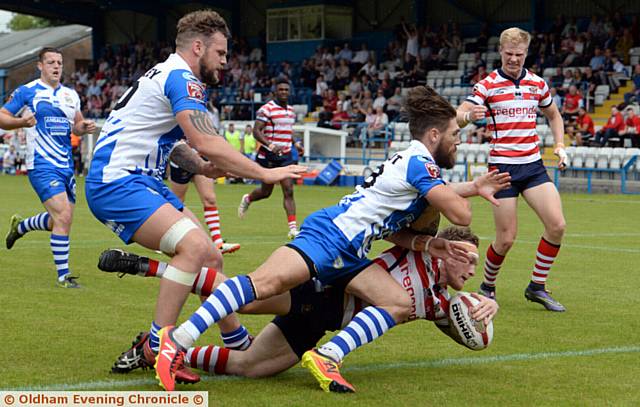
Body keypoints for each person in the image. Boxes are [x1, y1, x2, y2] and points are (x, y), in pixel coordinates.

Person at [153, 85, 510, 392]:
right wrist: (469, 193)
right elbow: (460, 215)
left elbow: (416, 223)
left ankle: (327, 356)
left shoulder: (414, 163)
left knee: (396, 302)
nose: (458, 142)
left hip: (351, 250)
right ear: (434, 135)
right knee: (262, 284)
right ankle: (176, 340)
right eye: (454, 135)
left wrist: (471, 189)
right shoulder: (421, 163)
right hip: (332, 235)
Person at [84, 10, 304, 384]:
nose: (225, 61)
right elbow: (203, 139)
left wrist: (201, 167)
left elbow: (170, 143)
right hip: (118, 182)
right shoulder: (184, 79)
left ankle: (235, 340)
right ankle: (158, 347)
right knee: (195, 249)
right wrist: (265, 171)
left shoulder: (163, 73)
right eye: (220, 52)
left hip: (137, 180)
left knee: (211, 257)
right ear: (198, 47)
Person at [104, 226, 498, 384]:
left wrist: (487, 307)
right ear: (451, 252)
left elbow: (470, 336)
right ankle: (153, 267)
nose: (472, 269)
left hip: (320, 323)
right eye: (469, 259)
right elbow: (394, 226)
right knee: (238, 295)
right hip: (321, 287)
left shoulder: (441, 304)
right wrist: (425, 241)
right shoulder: (415, 251)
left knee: (251, 366)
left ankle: (152, 349)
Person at [456, 27, 568, 312]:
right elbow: (458, 115)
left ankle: (537, 286)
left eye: (519, 54)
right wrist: (469, 116)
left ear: (526, 53)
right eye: (509, 54)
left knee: (557, 225)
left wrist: (560, 144)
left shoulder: (537, 84)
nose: (514, 59)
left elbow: (553, 115)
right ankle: (487, 285)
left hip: (532, 167)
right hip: (502, 170)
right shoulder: (488, 85)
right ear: (501, 52)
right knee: (506, 239)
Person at [1, 47, 96, 288]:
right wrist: (21, 122)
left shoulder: (71, 95)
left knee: (59, 221)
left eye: (60, 62)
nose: (56, 66)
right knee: (63, 215)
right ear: (40, 66)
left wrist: (82, 127)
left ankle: (21, 227)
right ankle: (64, 277)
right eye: (51, 62)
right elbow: (2, 116)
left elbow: (75, 125)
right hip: (41, 165)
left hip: (65, 165)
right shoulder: (27, 91)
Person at [238, 78, 303, 239]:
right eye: (281, 90)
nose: (284, 92)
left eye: (286, 90)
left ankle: (293, 229)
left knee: (288, 190)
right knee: (266, 192)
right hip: (268, 155)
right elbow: (256, 131)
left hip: (286, 155)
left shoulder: (291, 111)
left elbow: (288, 130)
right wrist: (271, 145)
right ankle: (248, 198)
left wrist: (297, 143)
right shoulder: (266, 109)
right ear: (275, 92)